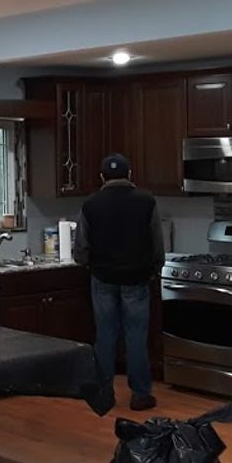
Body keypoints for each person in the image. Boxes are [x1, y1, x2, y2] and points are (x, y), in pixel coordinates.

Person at [75, 153, 164, 411]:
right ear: (130, 174)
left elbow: (82, 244)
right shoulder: (146, 201)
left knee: (105, 336)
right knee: (136, 336)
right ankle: (140, 394)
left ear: (102, 177)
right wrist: (156, 267)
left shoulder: (91, 204)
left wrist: (85, 262)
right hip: (136, 278)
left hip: (102, 278)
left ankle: (104, 393)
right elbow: (156, 240)